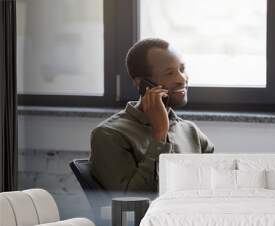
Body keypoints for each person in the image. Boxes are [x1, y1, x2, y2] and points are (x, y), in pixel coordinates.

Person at [89, 38, 214, 193]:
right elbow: (130, 202)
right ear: (141, 83)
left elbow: (215, 185)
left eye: (182, 69)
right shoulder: (109, 135)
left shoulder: (190, 131)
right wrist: (160, 135)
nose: (182, 79)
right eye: (169, 73)